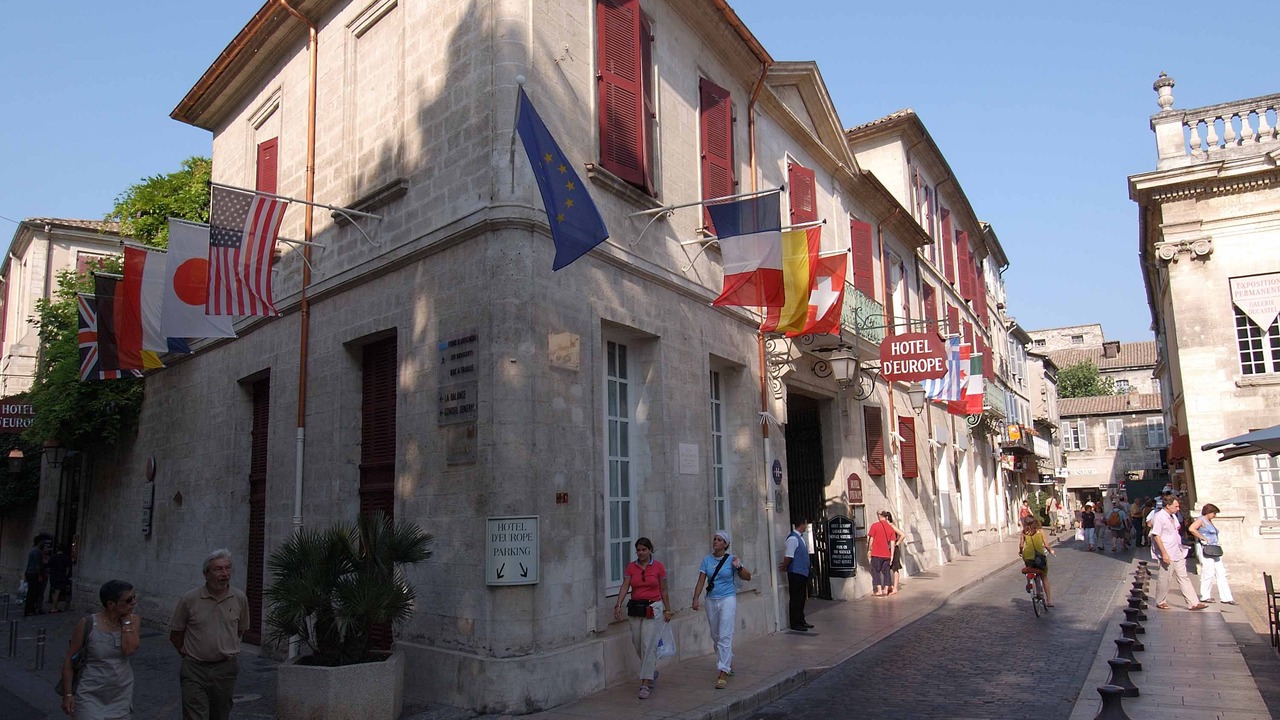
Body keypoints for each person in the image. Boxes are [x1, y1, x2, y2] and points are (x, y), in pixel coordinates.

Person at [169, 549, 250, 720]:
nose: (225, 574)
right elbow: (176, 633)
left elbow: (240, 630)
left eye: (228, 568)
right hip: (194, 669)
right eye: (218, 569)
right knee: (195, 715)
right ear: (206, 573)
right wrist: (186, 651)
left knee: (220, 715)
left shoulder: (239, 598)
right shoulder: (190, 599)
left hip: (225, 669)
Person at [60, 580, 140, 719]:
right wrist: (68, 695)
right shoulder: (88, 623)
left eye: (134, 597)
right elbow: (69, 660)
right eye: (128, 600)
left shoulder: (133, 621)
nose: (133, 602)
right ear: (111, 604)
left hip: (120, 695)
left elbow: (129, 650)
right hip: (89, 693)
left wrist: (126, 620)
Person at [613, 537, 673, 699]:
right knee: (638, 642)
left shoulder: (658, 567)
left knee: (648, 644)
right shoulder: (631, 567)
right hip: (636, 608)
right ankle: (650, 670)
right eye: (638, 550)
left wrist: (668, 609)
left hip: (654, 608)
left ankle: (645, 683)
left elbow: (664, 590)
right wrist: (618, 604)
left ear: (650, 550)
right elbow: (625, 586)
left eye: (644, 550)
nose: (641, 553)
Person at [691, 530, 752, 689]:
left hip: (727, 598)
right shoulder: (706, 560)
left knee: (725, 634)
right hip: (711, 599)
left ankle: (723, 670)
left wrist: (738, 567)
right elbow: (701, 581)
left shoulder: (732, 559)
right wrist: (696, 597)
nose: (715, 542)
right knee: (715, 635)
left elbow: (748, 576)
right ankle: (728, 660)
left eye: (719, 540)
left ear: (725, 544)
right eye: (714, 539)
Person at [1149, 496, 1207, 611]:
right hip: (1167, 551)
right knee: (1165, 577)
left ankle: (1193, 603)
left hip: (1177, 550)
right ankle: (1161, 601)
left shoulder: (1173, 516)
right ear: (1168, 506)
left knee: (1183, 576)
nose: (1178, 508)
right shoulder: (1159, 517)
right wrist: (1164, 554)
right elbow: (1156, 536)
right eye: (1176, 506)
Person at [1188, 503, 1235, 605]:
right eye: (1214, 513)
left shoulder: (1210, 521)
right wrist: (1203, 538)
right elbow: (1192, 529)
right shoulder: (1201, 520)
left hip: (1214, 548)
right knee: (1208, 571)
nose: (1215, 515)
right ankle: (1205, 595)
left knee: (1221, 572)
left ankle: (1226, 597)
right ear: (1208, 512)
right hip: (1205, 548)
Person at [779, 517, 812, 631]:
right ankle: (795, 623)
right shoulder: (793, 538)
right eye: (805, 524)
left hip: (802, 572)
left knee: (802, 597)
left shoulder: (800, 537)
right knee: (796, 598)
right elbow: (789, 555)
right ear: (802, 524)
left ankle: (801, 620)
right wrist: (785, 565)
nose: (806, 526)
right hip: (796, 572)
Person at [1019, 516, 1055, 606]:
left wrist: (1020, 552)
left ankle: (1029, 582)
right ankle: (1049, 601)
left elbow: (1021, 545)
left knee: (1029, 568)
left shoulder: (1024, 532)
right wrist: (1051, 550)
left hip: (1027, 556)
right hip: (1039, 557)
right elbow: (1046, 544)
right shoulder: (1040, 531)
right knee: (1044, 577)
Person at [866, 511, 900, 597]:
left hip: (876, 553)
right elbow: (893, 543)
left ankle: (879, 590)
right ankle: (886, 590)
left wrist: (869, 549)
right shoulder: (890, 527)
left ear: (879, 516)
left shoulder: (874, 526)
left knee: (876, 571)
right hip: (887, 554)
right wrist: (891, 555)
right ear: (886, 517)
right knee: (887, 572)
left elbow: (871, 539)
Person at [884, 511, 906, 595]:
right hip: (887, 549)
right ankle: (889, 586)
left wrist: (897, 543)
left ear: (887, 518)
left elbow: (902, 535)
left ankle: (895, 588)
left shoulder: (891, 526)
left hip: (894, 549)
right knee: (887, 567)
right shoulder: (886, 526)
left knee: (895, 568)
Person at [48, 544, 74, 613]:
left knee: (53, 592)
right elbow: (67, 568)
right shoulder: (65, 557)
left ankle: (54, 607)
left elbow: (49, 566)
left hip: (53, 576)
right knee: (57, 592)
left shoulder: (53, 557)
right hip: (60, 576)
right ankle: (54, 607)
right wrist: (65, 575)